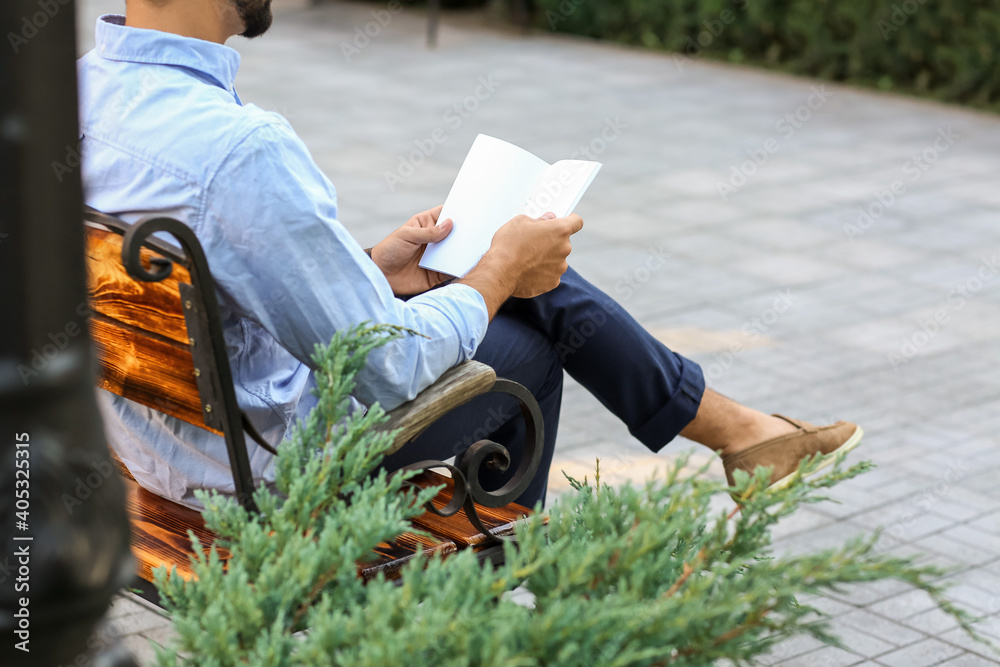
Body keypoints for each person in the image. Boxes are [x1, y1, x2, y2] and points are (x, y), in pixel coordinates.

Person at [77, 0, 861, 510]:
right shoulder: (241, 149)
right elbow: (385, 369)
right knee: (520, 338)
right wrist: (499, 272)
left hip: (157, 444)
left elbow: (213, 280)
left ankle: (742, 433)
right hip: (265, 470)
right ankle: (481, 603)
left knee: (508, 275)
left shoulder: (77, 96)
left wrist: (372, 265)